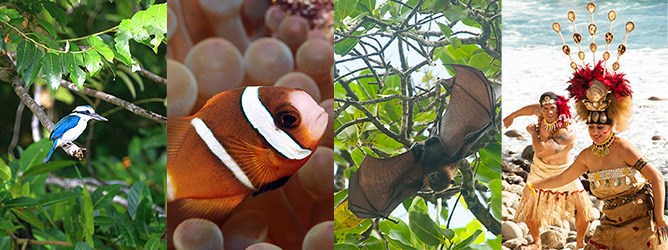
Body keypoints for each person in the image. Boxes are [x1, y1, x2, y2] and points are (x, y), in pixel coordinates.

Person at [526, 61, 668, 249]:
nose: (595, 132)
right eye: (591, 127)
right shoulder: (587, 156)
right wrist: (533, 186)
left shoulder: (624, 148)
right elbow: (562, 178)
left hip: (640, 224)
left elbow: (656, 177)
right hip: (609, 224)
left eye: (601, 127)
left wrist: (659, 217)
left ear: (611, 126)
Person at [505, 92, 591, 249]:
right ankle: (536, 241)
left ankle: (580, 242)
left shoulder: (566, 131)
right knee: (529, 204)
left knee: (581, 206)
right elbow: (532, 109)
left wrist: (533, 134)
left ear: (559, 108)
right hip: (540, 169)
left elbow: (542, 150)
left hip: (564, 171)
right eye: (545, 108)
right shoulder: (541, 113)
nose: (549, 112)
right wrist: (512, 116)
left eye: (553, 108)